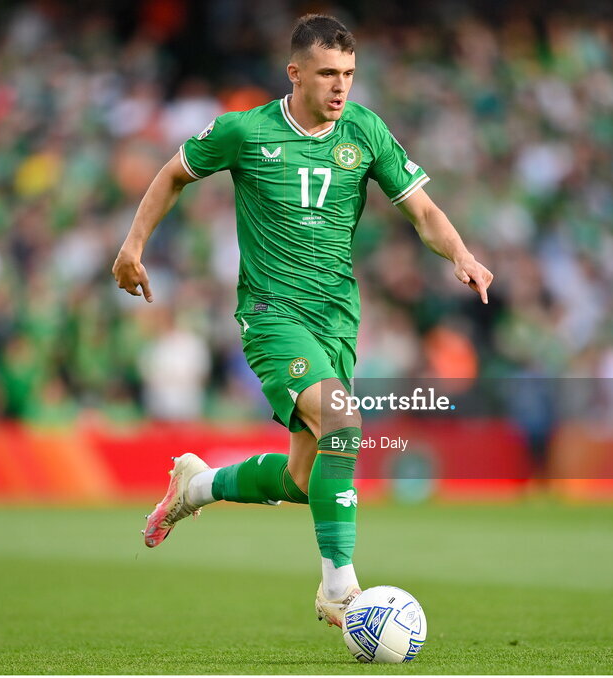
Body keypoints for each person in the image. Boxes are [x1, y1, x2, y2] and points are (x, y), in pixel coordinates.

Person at [111, 14, 493, 628]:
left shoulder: (365, 131)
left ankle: (197, 487)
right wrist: (133, 246)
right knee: (343, 419)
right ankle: (340, 589)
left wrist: (462, 254)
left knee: (302, 478)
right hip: (271, 314)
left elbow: (422, 209)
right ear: (295, 74)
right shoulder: (246, 131)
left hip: (336, 320)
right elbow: (173, 173)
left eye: (348, 74)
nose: (341, 87)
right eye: (327, 74)